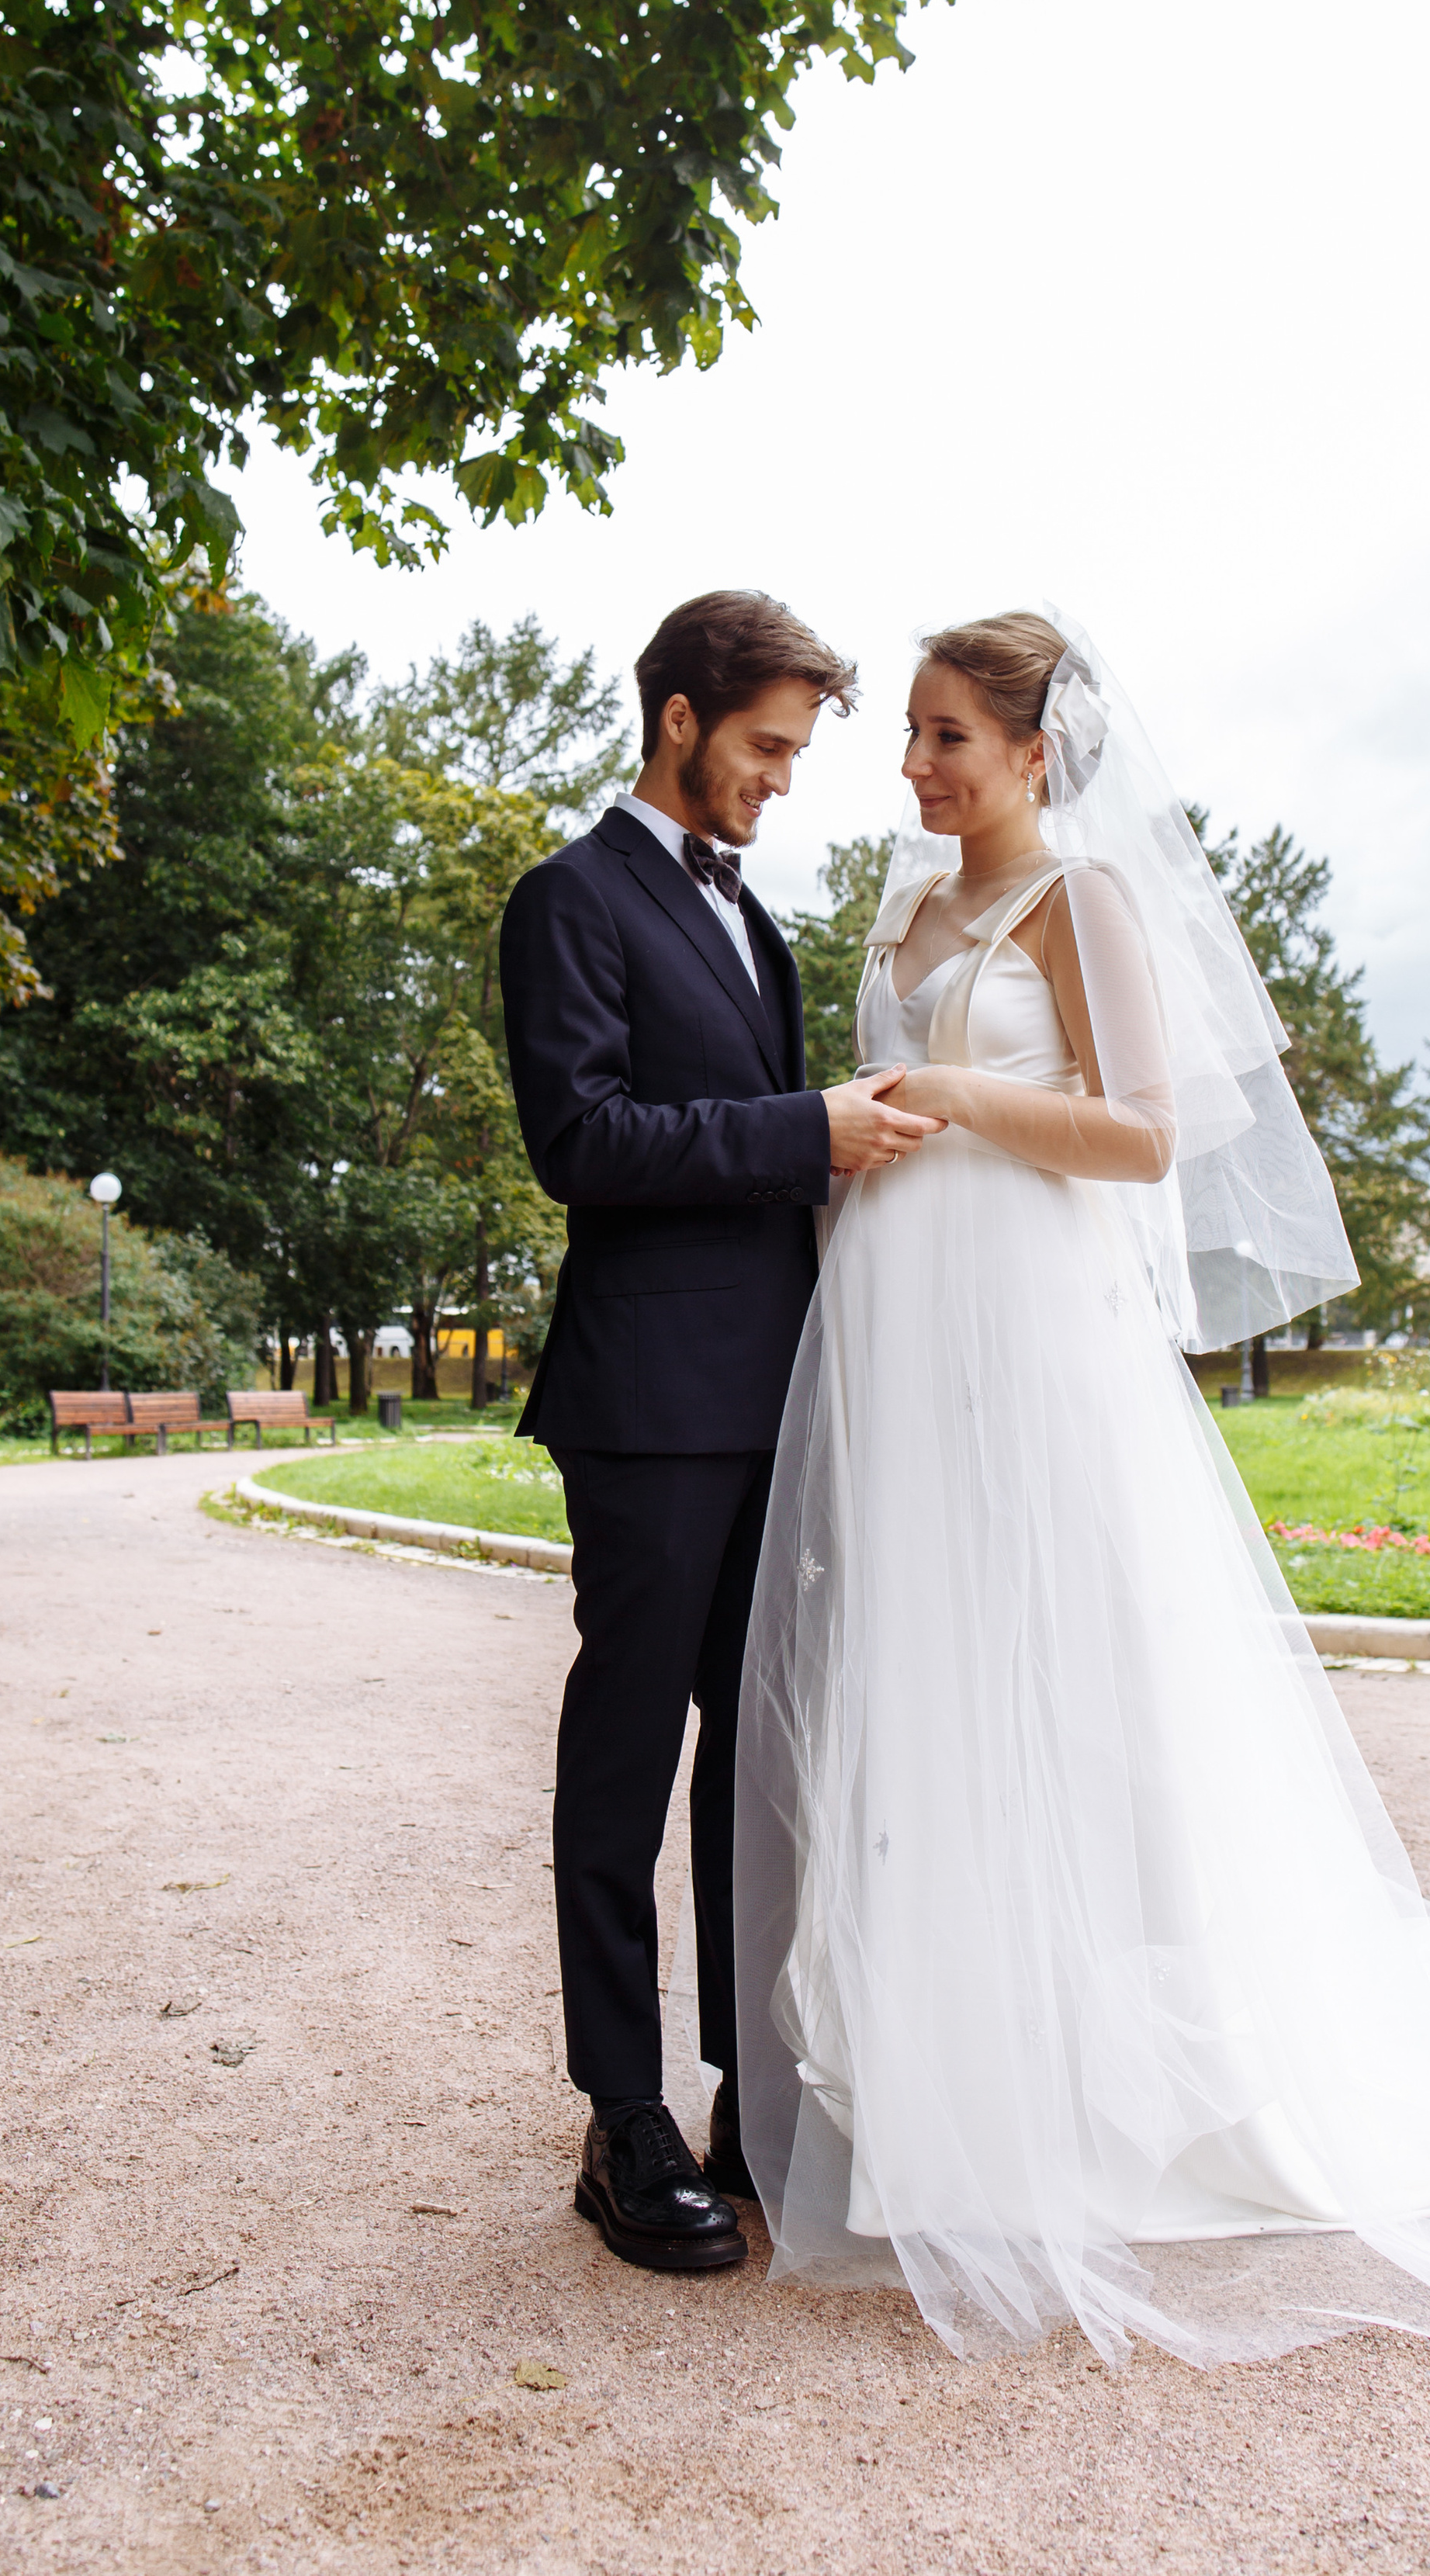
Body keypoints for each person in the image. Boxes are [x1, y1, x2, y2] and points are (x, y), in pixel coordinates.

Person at [733, 608, 1430, 2367]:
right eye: (908, 734)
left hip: (1027, 1313)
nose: (910, 766)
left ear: (1034, 753)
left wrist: (959, 1094)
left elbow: (1143, 1129)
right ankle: (949, 2081)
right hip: (897, 1314)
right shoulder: (903, 911)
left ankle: (1114, 2085)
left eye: (945, 739)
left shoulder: (1084, 906)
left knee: (1074, 1667)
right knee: (927, 1665)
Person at [500, 590, 943, 2275]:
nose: (779, 779)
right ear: (678, 718)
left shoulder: (752, 922)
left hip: (783, 1399)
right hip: (644, 1403)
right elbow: (583, 1139)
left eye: (795, 752)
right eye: (763, 746)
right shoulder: (569, 899)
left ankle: (747, 2099)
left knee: (768, 1764)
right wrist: (803, 1127)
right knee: (626, 1759)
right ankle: (620, 2119)